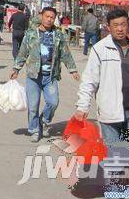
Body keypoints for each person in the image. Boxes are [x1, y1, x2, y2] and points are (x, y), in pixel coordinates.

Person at [74, 9, 129, 147]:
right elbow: (89, 81)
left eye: (123, 24)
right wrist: (82, 106)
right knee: (116, 157)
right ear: (108, 27)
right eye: (115, 25)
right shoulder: (100, 49)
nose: (120, 29)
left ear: (128, 25)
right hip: (110, 115)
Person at [10, 7, 79, 142]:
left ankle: (45, 121)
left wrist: (73, 70)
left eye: (52, 17)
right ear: (41, 16)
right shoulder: (31, 34)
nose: (49, 19)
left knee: (53, 102)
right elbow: (23, 52)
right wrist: (16, 68)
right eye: (47, 16)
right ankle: (34, 130)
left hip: (50, 76)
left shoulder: (58, 35)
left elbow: (65, 53)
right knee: (33, 106)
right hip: (33, 76)